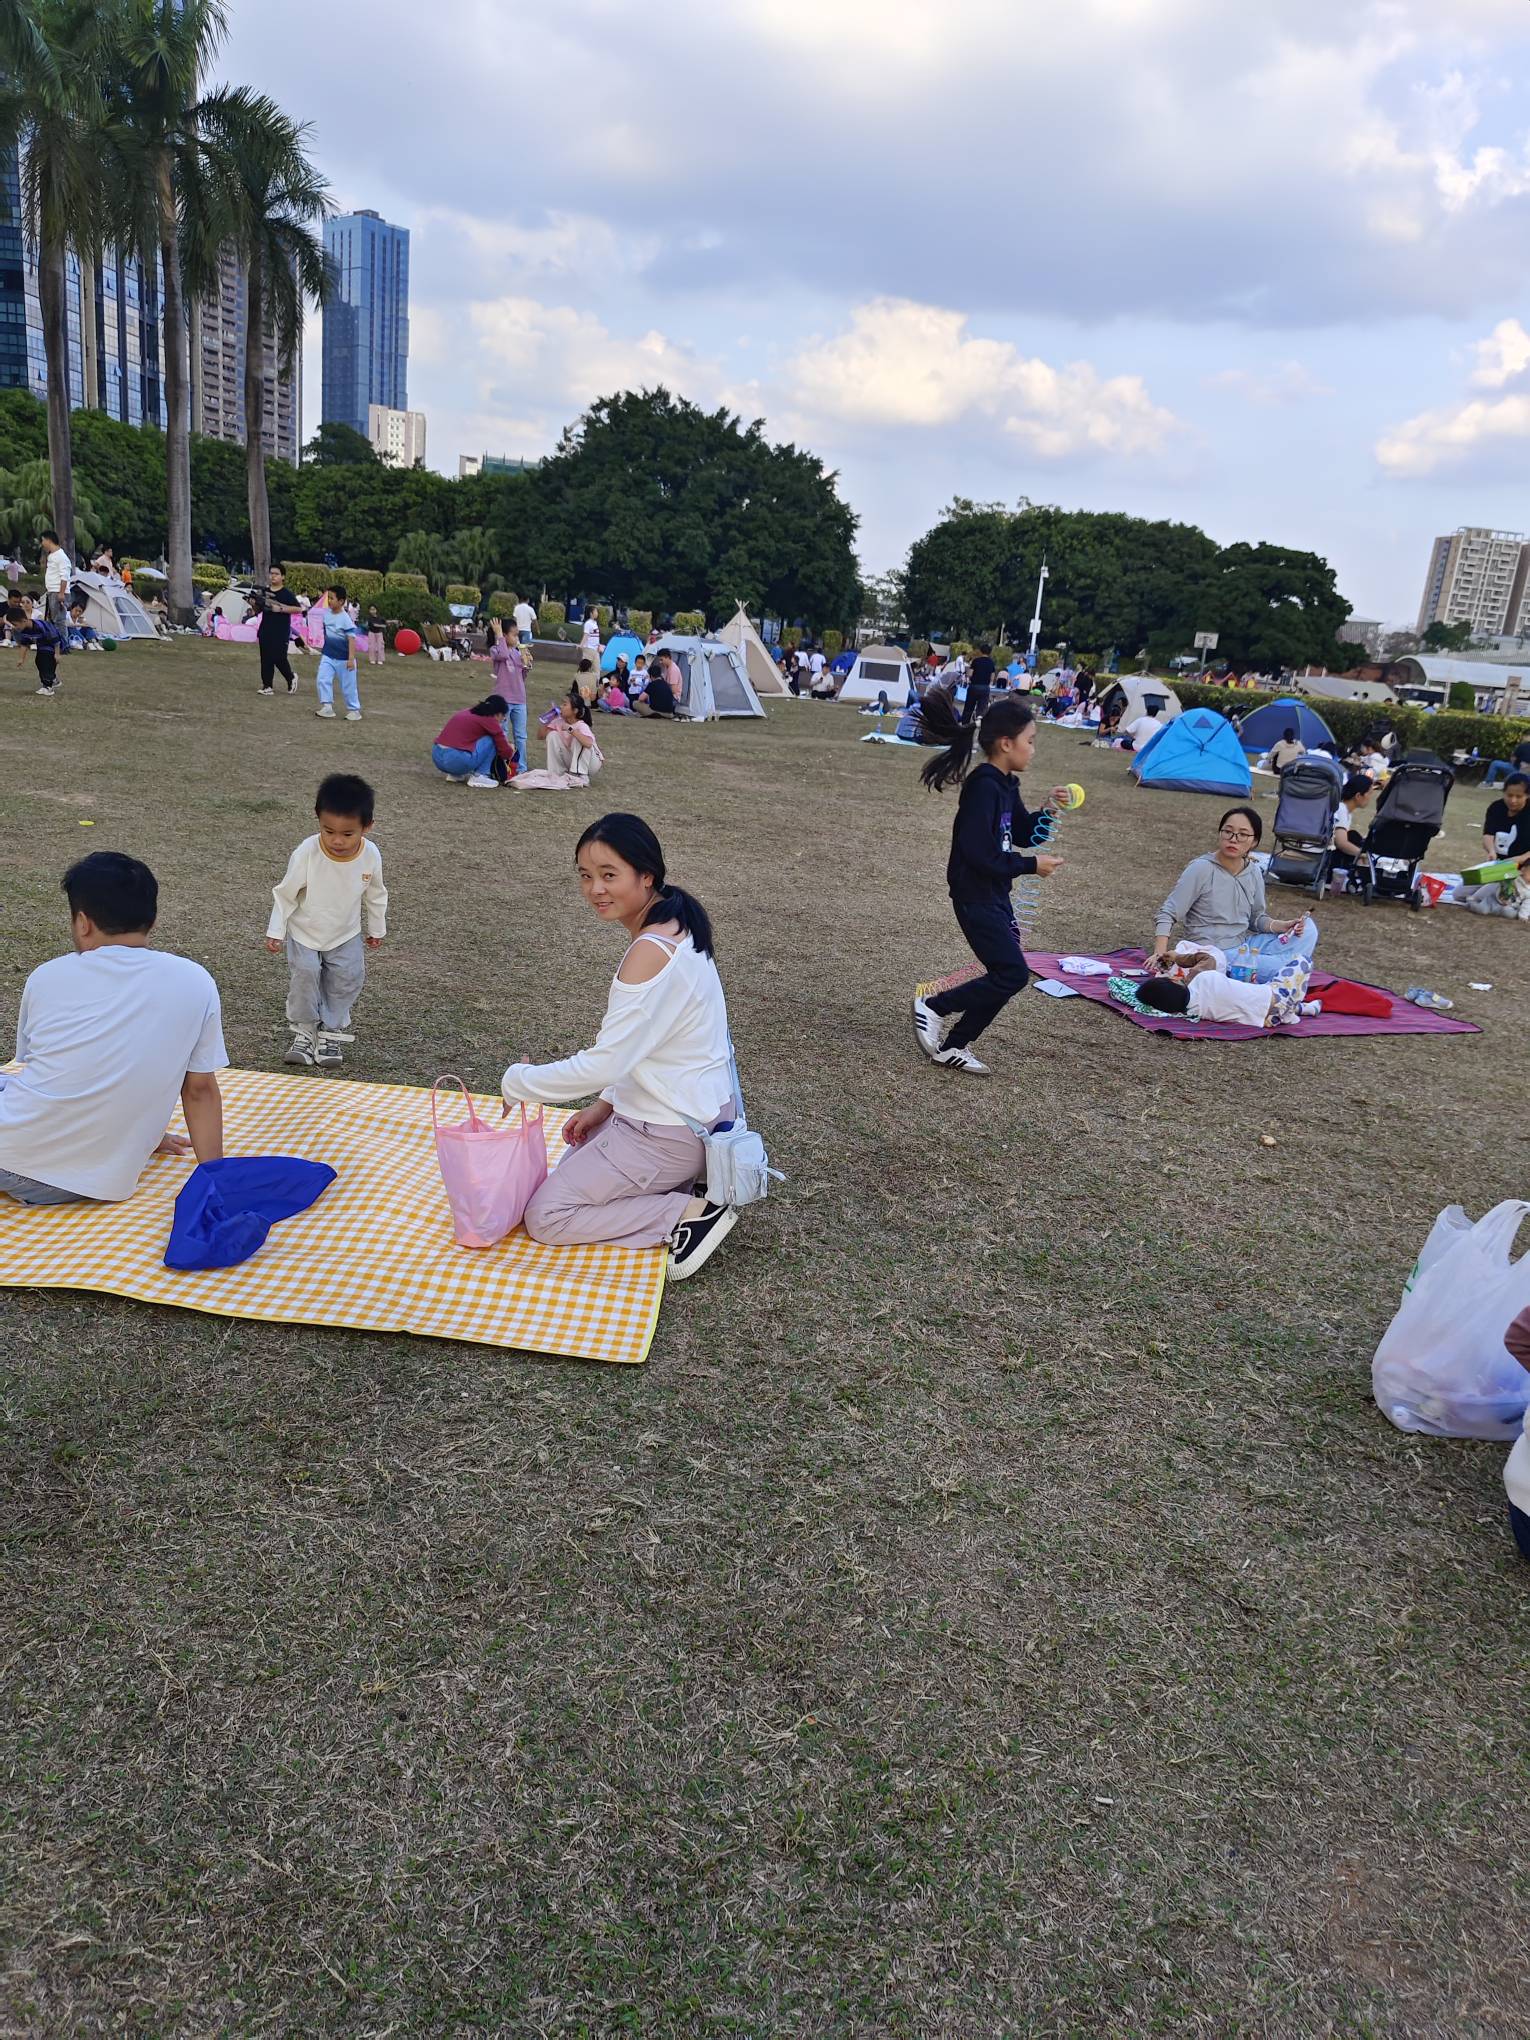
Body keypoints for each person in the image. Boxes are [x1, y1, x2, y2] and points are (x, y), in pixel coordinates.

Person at [501, 812, 740, 1279]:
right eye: (585, 876)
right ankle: (681, 1186)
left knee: (546, 1214)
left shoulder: (650, 952)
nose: (595, 889)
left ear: (646, 875)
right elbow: (649, 1046)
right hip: (697, 1117)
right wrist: (606, 1106)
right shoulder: (679, 923)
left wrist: (518, 1081)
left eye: (609, 875)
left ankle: (690, 1213)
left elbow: (604, 1063)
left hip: (668, 1133)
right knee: (569, 1164)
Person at [0, 852, 225, 1206]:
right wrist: (217, 1179)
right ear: (152, 920)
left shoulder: (48, 977)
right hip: (106, 1179)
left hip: (13, 1159)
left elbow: (59, 1072)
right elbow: (199, 1090)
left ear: (83, 922)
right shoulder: (196, 980)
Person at [910, 693, 1068, 1076]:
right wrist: (1031, 866)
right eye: (1030, 740)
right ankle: (934, 1006)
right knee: (1011, 973)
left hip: (995, 895)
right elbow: (980, 854)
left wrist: (1048, 808)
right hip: (974, 894)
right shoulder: (983, 787)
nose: (1033, 749)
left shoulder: (1006, 784)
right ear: (1006, 743)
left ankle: (954, 1046)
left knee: (1008, 974)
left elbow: (1024, 833)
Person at [265, 773, 387, 1068]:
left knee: (347, 978)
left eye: (348, 834)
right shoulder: (307, 852)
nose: (336, 840)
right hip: (305, 931)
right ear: (318, 819)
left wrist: (376, 928)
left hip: (345, 932)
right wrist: (277, 930)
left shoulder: (371, 855)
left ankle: (331, 1029)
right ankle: (305, 1031)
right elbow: (286, 893)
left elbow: (376, 893)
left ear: (367, 827)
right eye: (328, 830)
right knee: (305, 975)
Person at [1153, 808, 1317, 981]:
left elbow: (1256, 918)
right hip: (1213, 954)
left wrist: (1282, 926)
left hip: (1244, 946)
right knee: (1287, 966)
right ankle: (1282, 970)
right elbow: (1168, 913)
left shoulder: (1253, 872)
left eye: (1243, 834)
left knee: (1308, 928)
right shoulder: (1201, 868)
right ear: (1220, 834)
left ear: (1254, 841)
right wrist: (1160, 955)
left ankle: (1277, 969)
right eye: (1228, 832)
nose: (1233, 839)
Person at [1139, 945, 1312, 1027]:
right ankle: (1294, 1005)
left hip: (1266, 1019)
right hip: (1275, 997)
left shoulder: (1193, 1012)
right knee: (1303, 960)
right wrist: (1177, 957)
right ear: (1174, 981)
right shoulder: (1201, 979)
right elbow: (1208, 958)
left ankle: (1304, 1009)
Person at [432, 692, 517, 787]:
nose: (503, 719)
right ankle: (480, 775)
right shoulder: (490, 720)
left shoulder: (466, 712)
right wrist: (511, 749)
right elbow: (506, 753)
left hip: (437, 757)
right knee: (491, 739)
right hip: (456, 760)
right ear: (498, 714)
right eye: (503, 716)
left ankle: (455, 774)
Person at [314, 583, 362, 720]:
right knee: (322, 679)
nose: (329, 601)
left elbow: (352, 639)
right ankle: (327, 707)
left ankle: (354, 710)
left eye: (332, 598)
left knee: (348, 686)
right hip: (328, 655)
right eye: (328, 597)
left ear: (341, 601)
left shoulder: (345, 618)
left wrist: (350, 659)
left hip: (344, 659)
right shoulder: (326, 615)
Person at [487, 617, 528, 767]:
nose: (517, 638)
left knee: (521, 736)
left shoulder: (517, 653)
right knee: (502, 733)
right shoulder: (496, 650)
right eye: (514, 635)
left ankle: (521, 766)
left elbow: (521, 676)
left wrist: (527, 664)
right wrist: (498, 634)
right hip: (503, 699)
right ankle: (502, 765)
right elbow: (503, 655)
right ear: (504, 635)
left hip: (519, 699)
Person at [257, 564, 303, 696]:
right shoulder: (264, 592)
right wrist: (253, 603)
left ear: (283, 577)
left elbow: (298, 609)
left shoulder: (286, 594)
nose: (273, 576)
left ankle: (291, 677)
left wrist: (281, 609)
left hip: (280, 631)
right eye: (271, 573)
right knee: (265, 658)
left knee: (279, 657)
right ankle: (267, 686)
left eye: (276, 574)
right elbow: (258, 610)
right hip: (265, 629)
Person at [9, 593, 64, 696]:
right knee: (39, 661)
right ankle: (53, 680)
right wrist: (21, 659)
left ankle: (48, 687)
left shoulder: (40, 626)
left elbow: (55, 639)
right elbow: (24, 645)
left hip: (54, 645)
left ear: (24, 620)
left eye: (15, 625)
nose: (15, 627)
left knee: (45, 661)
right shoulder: (24, 630)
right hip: (42, 645)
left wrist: (57, 654)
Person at [1329, 774, 1376, 889]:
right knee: (1354, 837)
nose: (1370, 797)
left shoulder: (1345, 811)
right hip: (1330, 860)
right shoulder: (1341, 810)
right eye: (1369, 793)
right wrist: (1363, 855)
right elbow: (1341, 843)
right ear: (1358, 796)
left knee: (1355, 837)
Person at [39, 529, 72, 636]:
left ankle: (63, 643)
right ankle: (55, 641)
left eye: (43, 540)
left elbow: (64, 576)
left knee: (59, 621)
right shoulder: (52, 555)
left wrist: (61, 593)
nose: (42, 543)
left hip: (58, 591)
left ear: (49, 540)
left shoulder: (61, 556)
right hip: (52, 591)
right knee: (52, 620)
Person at [963, 643, 996, 727]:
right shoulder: (991, 662)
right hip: (985, 687)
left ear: (981, 651)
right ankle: (979, 725)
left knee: (968, 708)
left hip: (974, 686)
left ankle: (965, 725)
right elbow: (992, 677)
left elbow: (970, 674)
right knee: (981, 709)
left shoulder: (976, 661)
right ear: (990, 652)